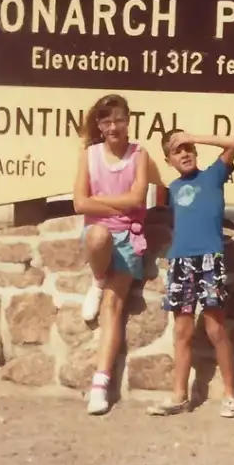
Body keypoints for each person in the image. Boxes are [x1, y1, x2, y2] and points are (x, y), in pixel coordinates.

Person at [146, 128, 234, 420]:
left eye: (188, 148)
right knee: (182, 330)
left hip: (209, 259)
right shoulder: (173, 189)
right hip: (180, 261)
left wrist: (194, 136)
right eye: (177, 150)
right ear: (169, 160)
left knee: (215, 329)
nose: (185, 153)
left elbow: (233, 143)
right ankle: (179, 395)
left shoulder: (213, 175)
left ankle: (231, 394)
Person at [72, 93, 150, 416]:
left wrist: (102, 200)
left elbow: (139, 198)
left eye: (119, 119)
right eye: (107, 120)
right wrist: (121, 202)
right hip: (101, 236)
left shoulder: (139, 154)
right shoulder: (89, 155)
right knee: (100, 234)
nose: (114, 126)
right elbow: (80, 203)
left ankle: (100, 384)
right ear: (100, 125)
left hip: (130, 238)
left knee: (113, 308)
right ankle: (97, 278)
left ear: (128, 120)